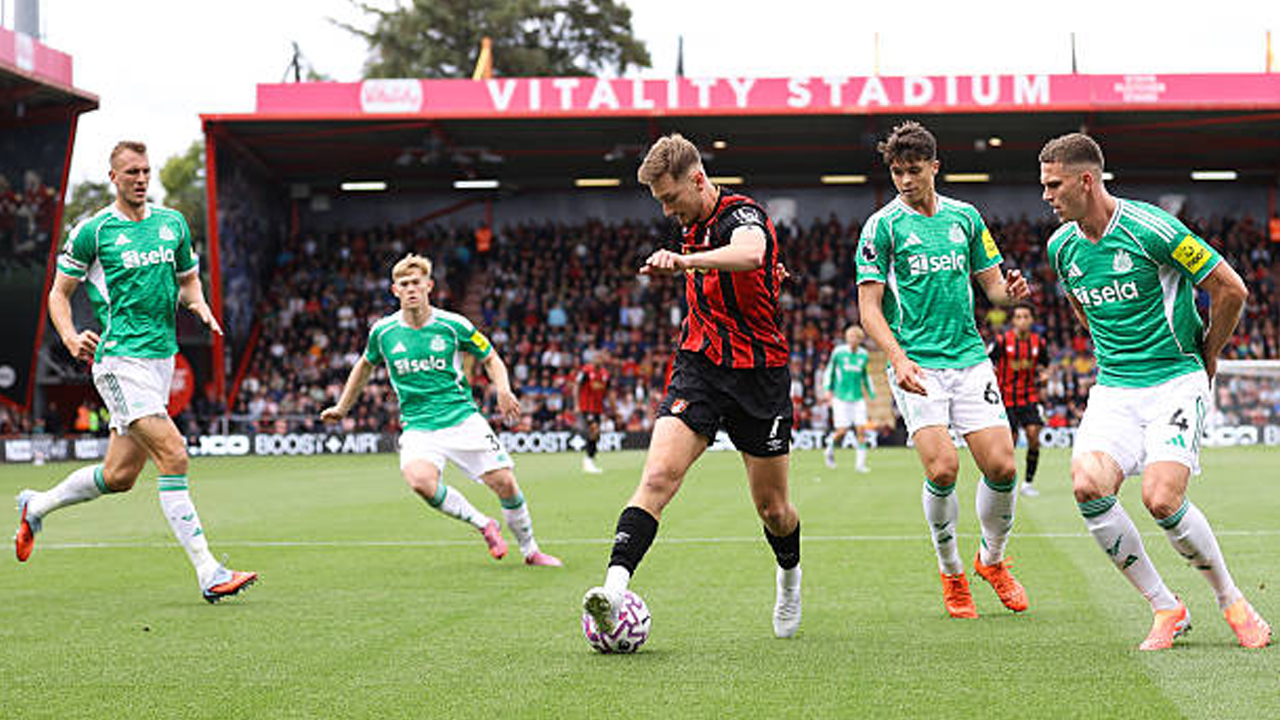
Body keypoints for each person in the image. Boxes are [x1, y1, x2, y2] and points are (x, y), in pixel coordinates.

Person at [1039, 132, 1269, 649]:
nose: (1046, 196)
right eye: (1043, 186)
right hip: (1115, 389)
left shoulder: (1152, 229)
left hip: (1174, 380)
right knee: (1086, 485)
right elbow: (1080, 301)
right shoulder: (1061, 247)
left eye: (1054, 185)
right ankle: (1166, 607)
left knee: (1161, 498)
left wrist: (1208, 353)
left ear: (1085, 180)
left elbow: (1230, 288)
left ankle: (1231, 599)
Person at [14, 140, 257, 603]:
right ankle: (209, 571)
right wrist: (69, 336)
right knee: (175, 454)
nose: (141, 179)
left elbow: (187, 280)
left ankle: (36, 506)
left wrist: (199, 303)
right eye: (131, 172)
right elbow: (57, 294)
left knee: (120, 476)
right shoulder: (95, 231)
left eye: (146, 171)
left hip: (160, 360)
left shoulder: (173, 225)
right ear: (114, 178)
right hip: (119, 361)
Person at [582, 133, 803, 638]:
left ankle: (789, 577)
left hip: (759, 376)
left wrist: (685, 261)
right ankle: (612, 592)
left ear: (698, 180)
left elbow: (750, 253)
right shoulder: (690, 221)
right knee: (658, 476)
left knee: (774, 509)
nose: (665, 211)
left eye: (670, 198)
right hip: (700, 367)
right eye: (659, 201)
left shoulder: (740, 215)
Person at [857, 121, 1030, 619]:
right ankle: (952, 572)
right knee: (944, 467)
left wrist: (1010, 292)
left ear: (935, 166)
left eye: (913, 170)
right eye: (896, 172)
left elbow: (993, 288)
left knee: (1002, 467)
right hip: (917, 362)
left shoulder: (966, 218)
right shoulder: (882, 227)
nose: (905, 181)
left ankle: (991, 562)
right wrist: (897, 358)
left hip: (970, 358)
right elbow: (869, 309)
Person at [321, 253, 561, 567]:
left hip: (462, 419)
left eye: (416, 283)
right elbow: (364, 366)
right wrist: (342, 407)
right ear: (394, 290)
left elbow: (490, 356)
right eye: (403, 284)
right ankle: (484, 524)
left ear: (429, 286)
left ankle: (531, 551)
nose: (410, 289)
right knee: (419, 481)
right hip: (419, 427)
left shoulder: (453, 324)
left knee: (505, 483)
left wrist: (503, 388)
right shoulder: (384, 331)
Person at [988, 303, 1050, 497]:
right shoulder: (1001, 340)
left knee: (1033, 436)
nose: (1022, 320)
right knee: (1010, 442)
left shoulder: (1038, 342)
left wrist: (1045, 375)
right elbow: (988, 360)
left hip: (1029, 397)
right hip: (1006, 398)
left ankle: (1028, 483)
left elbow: (1045, 364)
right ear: (1013, 320)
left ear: (1031, 320)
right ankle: (1007, 482)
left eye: (1026, 317)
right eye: (1018, 317)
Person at [822, 325, 876, 472]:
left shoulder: (864, 355)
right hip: (841, 398)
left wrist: (871, 393)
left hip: (857, 398)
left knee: (861, 430)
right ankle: (829, 449)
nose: (853, 340)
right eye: (851, 337)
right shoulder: (838, 353)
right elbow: (830, 372)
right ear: (847, 338)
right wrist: (827, 390)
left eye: (856, 338)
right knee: (842, 431)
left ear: (860, 340)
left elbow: (865, 375)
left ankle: (860, 465)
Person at [575, 349, 611, 474]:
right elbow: (577, 386)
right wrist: (576, 404)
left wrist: (611, 409)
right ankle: (588, 460)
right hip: (586, 407)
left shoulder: (605, 374)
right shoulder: (586, 371)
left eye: (600, 358)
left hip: (598, 409)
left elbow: (608, 392)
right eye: (596, 358)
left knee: (596, 434)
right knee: (594, 430)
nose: (598, 360)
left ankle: (590, 458)